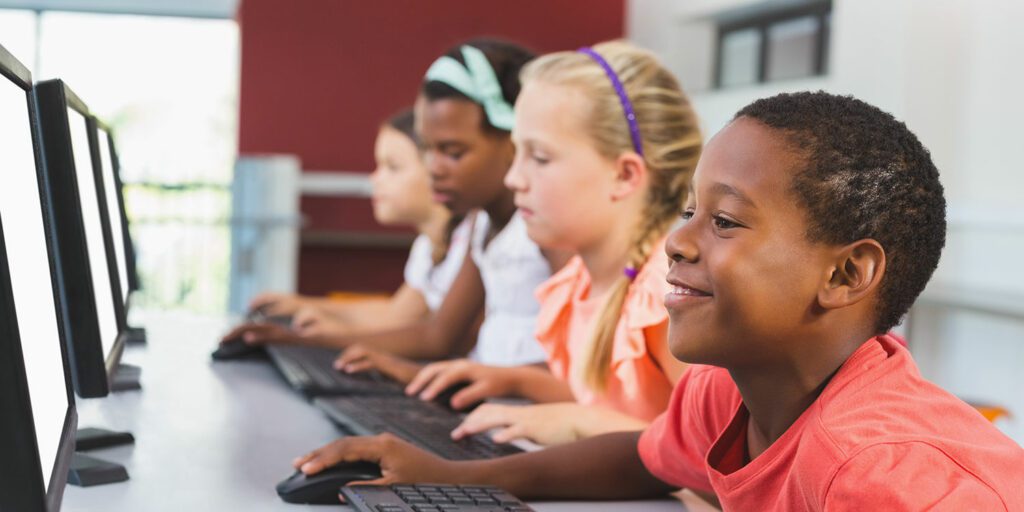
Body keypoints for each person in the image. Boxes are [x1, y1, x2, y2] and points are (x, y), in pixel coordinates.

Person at [290, 91, 1024, 509]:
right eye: (690, 212)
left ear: (844, 275)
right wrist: (452, 477)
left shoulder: (877, 475)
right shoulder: (728, 391)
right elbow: (645, 460)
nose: (677, 242)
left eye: (725, 221)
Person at [376, 41, 702, 447]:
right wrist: (514, 380)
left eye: (540, 158)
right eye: (517, 155)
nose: (514, 179)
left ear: (623, 175)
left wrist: (583, 424)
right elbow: (601, 398)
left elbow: (712, 456)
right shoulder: (583, 285)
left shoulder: (665, 297)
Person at [224, 40, 569, 380]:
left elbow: (576, 368)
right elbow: (438, 335)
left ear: (514, 142)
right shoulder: (483, 223)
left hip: (522, 418)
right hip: (493, 407)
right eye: (428, 150)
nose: (434, 168)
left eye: (453, 152)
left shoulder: (547, 224)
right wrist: (303, 341)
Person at [245, 109, 470, 340]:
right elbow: (396, 314)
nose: (375, 178)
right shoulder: (428, 246)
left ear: (437, 171)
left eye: (393, 167)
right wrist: (299, 304)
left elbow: (436, 339)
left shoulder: (468, 247)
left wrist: (337, 334)